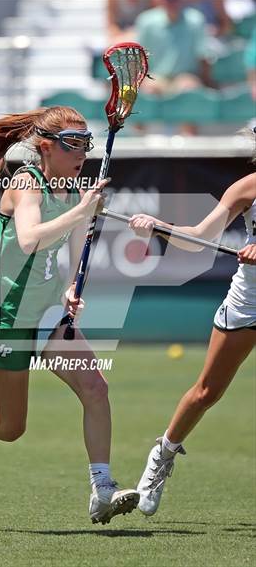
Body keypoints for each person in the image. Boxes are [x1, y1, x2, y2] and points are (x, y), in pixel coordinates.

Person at [0, 106, 140, 524]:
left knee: (95, 388)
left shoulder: (70, 190)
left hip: (48, 314)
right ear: (46, 147)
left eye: (87, 143)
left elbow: (67, 244)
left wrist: (70, 288)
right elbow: (32, 239)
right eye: (74, 144)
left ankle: (102, 488)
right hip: (9, 318)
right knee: (9, 427)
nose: (83, 152)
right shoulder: (25, 183)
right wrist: (81, 211)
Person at [129, 155, 256, 515]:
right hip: (248, 304)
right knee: (206, 392)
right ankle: (163, 454)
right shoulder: (247, 187)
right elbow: (200, 238)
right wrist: (158, 227)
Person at [135, 0, 215, 134]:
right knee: (145, 92)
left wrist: (207, 83)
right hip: (155, 78)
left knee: (189, 89)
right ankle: (140, 142)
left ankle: (189, 144)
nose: (171, 1)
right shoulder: (146, 21)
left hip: (185, 77)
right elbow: (139, 57)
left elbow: (203, 57)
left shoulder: (196, 20)